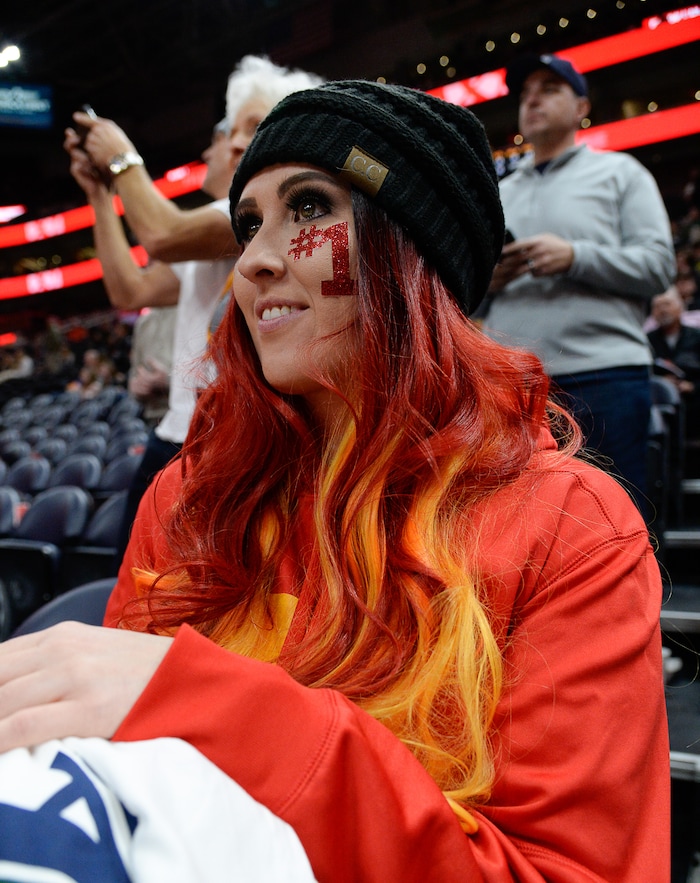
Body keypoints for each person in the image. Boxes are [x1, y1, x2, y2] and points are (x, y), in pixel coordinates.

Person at [0, 81, 668, 882]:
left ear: (414, 253)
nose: (253, 260)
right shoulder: (184, 497)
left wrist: (237, 717)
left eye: (310, 207)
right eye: (248, 224)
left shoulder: (572, 525)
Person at [63, 55, 323, 560]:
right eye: (233, 128)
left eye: (259, 125)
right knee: (133, 592)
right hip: (172, 440)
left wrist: (122, 159)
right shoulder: (211, 227)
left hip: (217, 447)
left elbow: (160, 234)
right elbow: (131, 293)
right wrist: (99, 196)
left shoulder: (252, 216)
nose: (235, 141)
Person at [482, 53, 675, 515]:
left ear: (581, 106)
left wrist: (575, 257)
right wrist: (491, 278)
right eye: (526, 94)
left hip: (604, 372)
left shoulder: (621, 173)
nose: (533, 100)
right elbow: (464, 289)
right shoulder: (498, 193)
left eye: (550, 89)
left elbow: (659, 266)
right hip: (515, 381)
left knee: (616, 522)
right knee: (517, 524)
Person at [648, 284, 700, 437]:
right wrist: (662, 381)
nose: (663, 310)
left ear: (680, 308)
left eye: (667, 304)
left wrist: (692, 386)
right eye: (658, 306)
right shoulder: (648, 340)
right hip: (661, 403)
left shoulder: (696, 336)